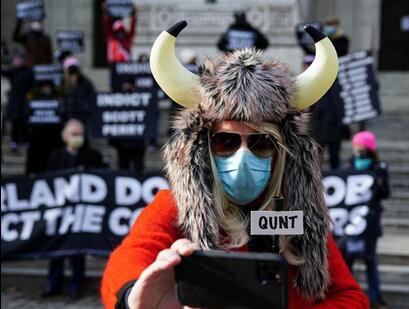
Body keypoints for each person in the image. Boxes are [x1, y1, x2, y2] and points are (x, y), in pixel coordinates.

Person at [101, 21, 368, 308]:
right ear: (203, 148)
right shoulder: (174, 206)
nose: (243, 155)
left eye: (261, 142)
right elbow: (131, 256)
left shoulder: (299, 213)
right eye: (226, 142)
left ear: (282, 151)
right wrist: (134, 296)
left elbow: (350, 297)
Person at [41, 119, 107, 299]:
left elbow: (105, 176)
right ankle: (54, 283)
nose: (77, 138)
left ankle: (76, 284)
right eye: (73, 134)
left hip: (82, 214)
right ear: (65, 137)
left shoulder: (92, 155)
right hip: (60, 214)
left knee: (78, 250)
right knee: (56, 250)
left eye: (80, 134)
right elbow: (47, 180)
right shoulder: (55, 156)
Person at [342, 131, 390, 309]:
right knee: (348, 262)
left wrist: (379, 181)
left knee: (370, 261)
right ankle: (347, 296)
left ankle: (375, 297)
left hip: (369, 223)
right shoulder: (348, 165)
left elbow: (386, 193)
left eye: (362, 146)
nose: (358, 149)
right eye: (356, 146)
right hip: (350, 223)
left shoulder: (379, 168)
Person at [307, 55, 346, 170]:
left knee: (333, 158)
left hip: (331, 127)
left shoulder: (337, 83)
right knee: (317, 159)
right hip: (320, 127)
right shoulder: (316, 82)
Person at [25, 80, 64, 175]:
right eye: (44, 87)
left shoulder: (57, 100)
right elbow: (27, 116)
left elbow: (61, 116)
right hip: (37, 136)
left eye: (48, 87)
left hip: (54, 137)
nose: (46, 89)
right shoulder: (34, 100)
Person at [108, 78, 146, 174]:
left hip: (138, 142)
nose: (126, 87)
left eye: (128, 85)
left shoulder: (143, 100)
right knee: (123, 169)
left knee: (138, 170)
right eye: (125, 85)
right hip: (122, 142)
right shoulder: (116, 100)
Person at [1, 52, 34, 152]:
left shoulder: (28, 71)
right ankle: (14, 142)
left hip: (24, 101)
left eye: (17, 60)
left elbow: (33, 85)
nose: (15, 62)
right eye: (14, 60)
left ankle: (24, 141)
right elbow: (3, 72)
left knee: (24, 123)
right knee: (15, 123)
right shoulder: (13, 71)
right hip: (14, 102)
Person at [62, 57, 96, 123]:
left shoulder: (85, 83)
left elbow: (91, 100)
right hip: (70, 119)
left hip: (83, 119)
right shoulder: (65, 84)